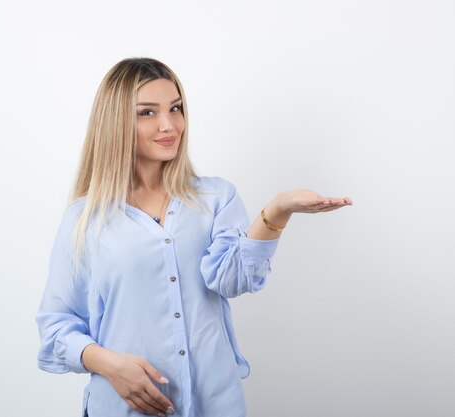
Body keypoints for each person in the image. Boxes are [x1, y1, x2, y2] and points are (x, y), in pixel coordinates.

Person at [36, 57, 352, 417]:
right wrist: (109, 365)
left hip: (216, 403)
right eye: (147, 113)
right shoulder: (85, 220)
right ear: (116, 122)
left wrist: (278, 211)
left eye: (176, 108)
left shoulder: (215, 198)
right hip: (125, 407)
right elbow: (57, 326)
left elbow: (232, 279)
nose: (169, 125)